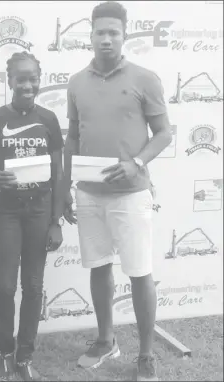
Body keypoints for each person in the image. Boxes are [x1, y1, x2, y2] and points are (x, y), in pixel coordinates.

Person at [62, 2, 173, 381]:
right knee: (98, 267)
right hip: (88, 194)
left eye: (114, 32)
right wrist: (66, 187)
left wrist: (137, 163)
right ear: (90, 34)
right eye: (100, 32)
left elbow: (164, 133)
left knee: (140, 273)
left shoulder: (145, 78)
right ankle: (106, 340)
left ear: (124, 35)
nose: (106, 38)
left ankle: (145, 355)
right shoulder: (76, 82)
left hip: (131, 193)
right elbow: (73, 136)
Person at [0, 51, 64, 381]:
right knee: (4, 286)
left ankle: (25, 355)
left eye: (33, 78)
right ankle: (5, 351)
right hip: (7, 211)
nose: (27, 84)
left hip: (40, 210)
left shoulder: (49, 119)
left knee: (33, 285)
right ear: (9, 80)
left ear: (39, 80)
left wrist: (56, 220)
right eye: (21, 78)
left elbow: (57, 172)